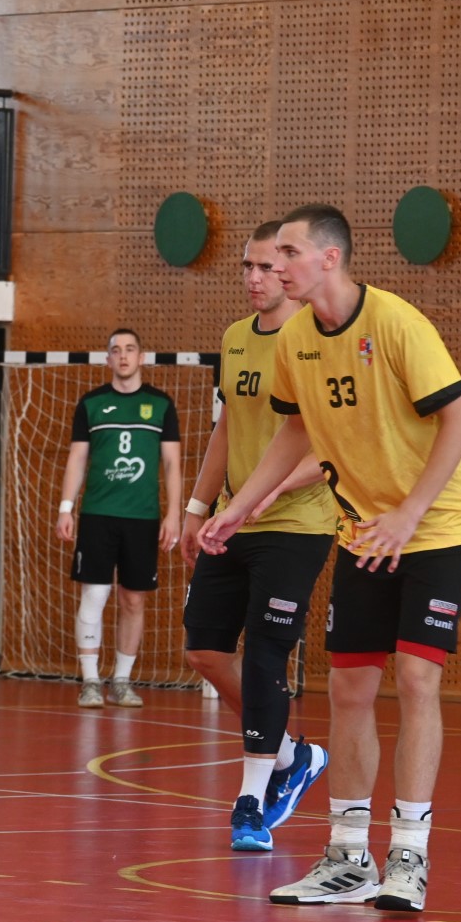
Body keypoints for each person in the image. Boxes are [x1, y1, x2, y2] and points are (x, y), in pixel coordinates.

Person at [200, 203, 461, 912]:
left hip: (437, 524)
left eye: (288, 254)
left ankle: (409, 856)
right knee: (350, 688)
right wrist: (240, 504)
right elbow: (295, 431)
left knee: (416, 677)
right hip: (364, 529)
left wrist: (409, 514)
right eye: (270, 257)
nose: (275, 267)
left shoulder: (396, 323)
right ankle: (348, 857)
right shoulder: (296, 338)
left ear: (330, 258)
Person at [180, 222, 337, 852]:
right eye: (246, 266)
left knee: (269, 654)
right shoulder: (235, 338)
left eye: (266, 266)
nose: (253, 277)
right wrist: (197, 507)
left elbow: (328, 444)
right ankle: (293, 755)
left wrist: (269, 493)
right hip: (233, 517)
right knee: (203, 651)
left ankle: (250, 801)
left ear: (291, 270)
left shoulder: (316, 342)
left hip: (296, 524)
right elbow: (226, 429)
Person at [55, 329, 182, 709]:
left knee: (133, 600)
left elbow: (172, 464)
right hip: (97, 514)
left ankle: (122, 681)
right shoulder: (92, 403)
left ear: (141, 357)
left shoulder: (160, 404)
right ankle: (90, 681)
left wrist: (174, 514)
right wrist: (65, 507)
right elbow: (78, 458)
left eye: (130, 349)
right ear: (108, 359)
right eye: (116, 350)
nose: (123, 356)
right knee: (94, 595)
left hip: (142, 518)